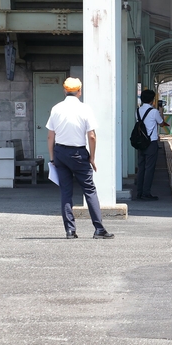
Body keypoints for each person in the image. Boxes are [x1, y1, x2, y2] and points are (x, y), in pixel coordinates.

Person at [46, 77, 113, 239]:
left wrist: (53, 158)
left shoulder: (56, 109)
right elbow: (92, 136)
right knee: (89, 190)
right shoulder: (85, 109)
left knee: (66, 192)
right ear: (79, 91)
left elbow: (50, 136)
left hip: (60, 153)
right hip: (79, 154)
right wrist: (92, 157)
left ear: (64, 90)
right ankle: (99, 229)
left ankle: (70, 230)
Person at [134, 88, 165, 201]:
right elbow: (161, 123)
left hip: (141, 143)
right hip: (151, 143)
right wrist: (160, 110)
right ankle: (146, 193)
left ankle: (139, 192)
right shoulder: (154, 112)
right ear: (152, 100)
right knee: (149, 168)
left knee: (141, 167)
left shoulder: (137, 111)